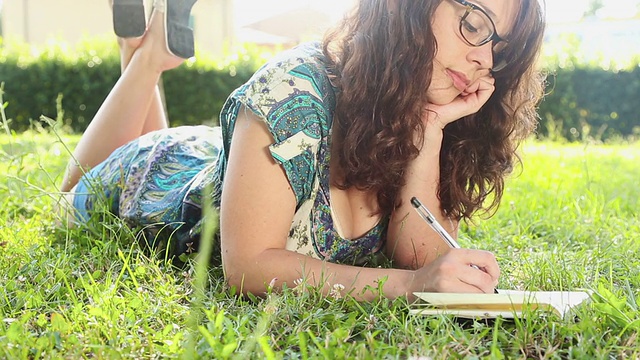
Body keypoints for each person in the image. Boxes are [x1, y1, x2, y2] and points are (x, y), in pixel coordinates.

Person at [59, 0, 546, 301]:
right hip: (164, 180)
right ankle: (146, 58)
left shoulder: (426, 114)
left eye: (500, 49)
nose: (484, 58)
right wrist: (408, 289)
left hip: (232, 160)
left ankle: (140, 50)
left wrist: (432, 129)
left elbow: (421, 255)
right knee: (71, 195)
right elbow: (247, 265)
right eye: (474, 23)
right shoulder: (293, 92)